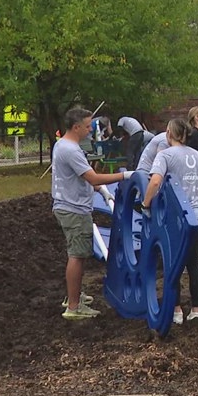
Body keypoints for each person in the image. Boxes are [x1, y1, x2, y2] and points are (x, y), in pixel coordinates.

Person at [52, 107, 134, 320]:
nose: (91, 130)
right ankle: (73, 306)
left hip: (70, 205)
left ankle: (74, 295)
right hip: (73, 209)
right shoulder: (70, 149)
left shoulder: (65, 146)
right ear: (76, 127)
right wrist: (124, 176)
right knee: (77, 255)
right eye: (88, 126)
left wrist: (99, 190)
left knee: (77, 253)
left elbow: (82, 178)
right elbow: (93, 177)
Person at [143, 118, 198, 325]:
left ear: (169, 133)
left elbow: (155, 181)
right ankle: (196, 309)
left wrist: (146, 203)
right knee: (194, 264)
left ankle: (176, 310)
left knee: (173, 264)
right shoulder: (196, 155)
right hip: (196, 215)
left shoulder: (165, 155)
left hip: (175, 218)